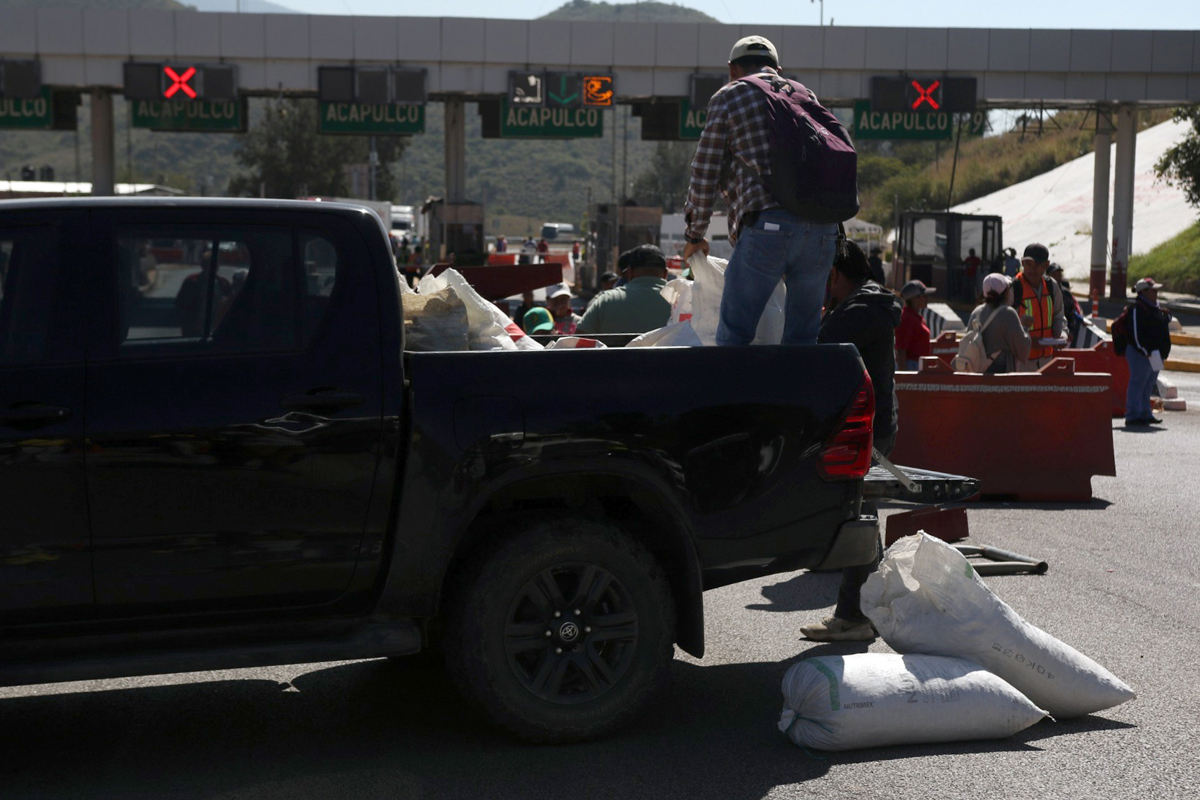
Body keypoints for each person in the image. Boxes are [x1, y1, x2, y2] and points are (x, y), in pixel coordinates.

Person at [681, 35, 844, 347]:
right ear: (777, 70)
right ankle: (795, 383)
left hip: (768, 228)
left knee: (735, 336)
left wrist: (695, 234)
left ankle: (737, 383)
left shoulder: (729, 95)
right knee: (803, 340)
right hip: (822, 230)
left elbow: (705, 170)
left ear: (732, 69)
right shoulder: (805, 94)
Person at [801, 240, 902, 642]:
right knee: (862, 515)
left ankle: (855, 615)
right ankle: (869, 608)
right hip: (875, 425)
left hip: (866, 429)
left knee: (859, 516)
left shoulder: (857, 311)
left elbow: (814, 349)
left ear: (834, 275)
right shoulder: (869, 303)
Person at [577, 244, 671, 335]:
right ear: (665, 273)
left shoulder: (605, 300)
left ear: (630, 272)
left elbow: (578, 338)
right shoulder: (677, 302)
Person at [1124, 277, 1172, 426]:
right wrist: (1145, 351)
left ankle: (1145, 413)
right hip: (1141, 354)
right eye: (1153, 290)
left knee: (1149, 384)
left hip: (1155, 354)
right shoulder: (1136, 309)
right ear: (1143, 292)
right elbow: (1136, 334)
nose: (1156, 292)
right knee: (1138, 383)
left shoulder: (1155, 308)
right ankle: (1132, 415)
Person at [1012, 243, 1066, 370]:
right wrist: (1027, 341)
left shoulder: (1051, 286)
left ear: (1046, 265)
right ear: (1022, 263)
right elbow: (1006, 327)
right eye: (1028, 264)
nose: (1032, 269)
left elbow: (1059, 316)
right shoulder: (1014, 288)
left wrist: (1062, 335)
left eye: (1038, 265)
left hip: (1046, 360)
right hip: (1021, 362)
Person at [966, 273, 1030, 374]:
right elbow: (1023, 352)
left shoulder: (976, 312)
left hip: (978, 375)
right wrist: (1025, 327)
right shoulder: (1008, 313)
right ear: (1005, 293)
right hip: (1000, 378)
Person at [895, 280, 935, 369]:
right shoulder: (907, 319)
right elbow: (901, 350)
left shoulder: (914, 316)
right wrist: (904, 375)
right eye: (924, 296)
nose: (927, 298)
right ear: (914, 299)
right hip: (911, 367)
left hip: (918, 366)